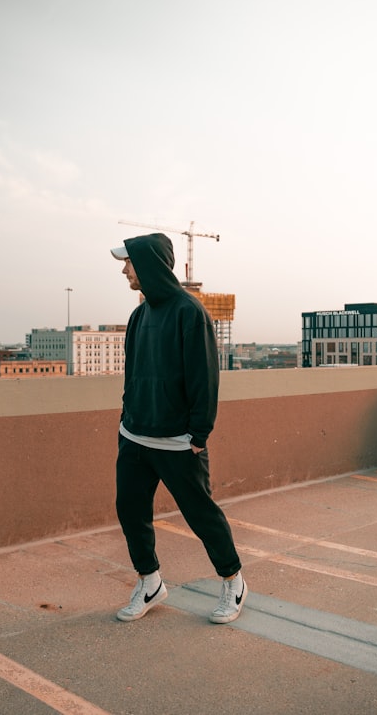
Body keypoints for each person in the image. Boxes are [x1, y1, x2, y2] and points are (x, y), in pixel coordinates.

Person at [110, 232, 246, 624]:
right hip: (135, 435)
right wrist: (126, 420)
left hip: (177, 442)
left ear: (149, 264)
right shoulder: (139, 316)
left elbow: (205, 377)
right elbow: (132, 375)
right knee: (130, 510)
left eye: (129, 262)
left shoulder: (190, 312)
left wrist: (198, 435)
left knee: (200, 514)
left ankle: (233, 581)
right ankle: (149, 582)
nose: (124, 270)